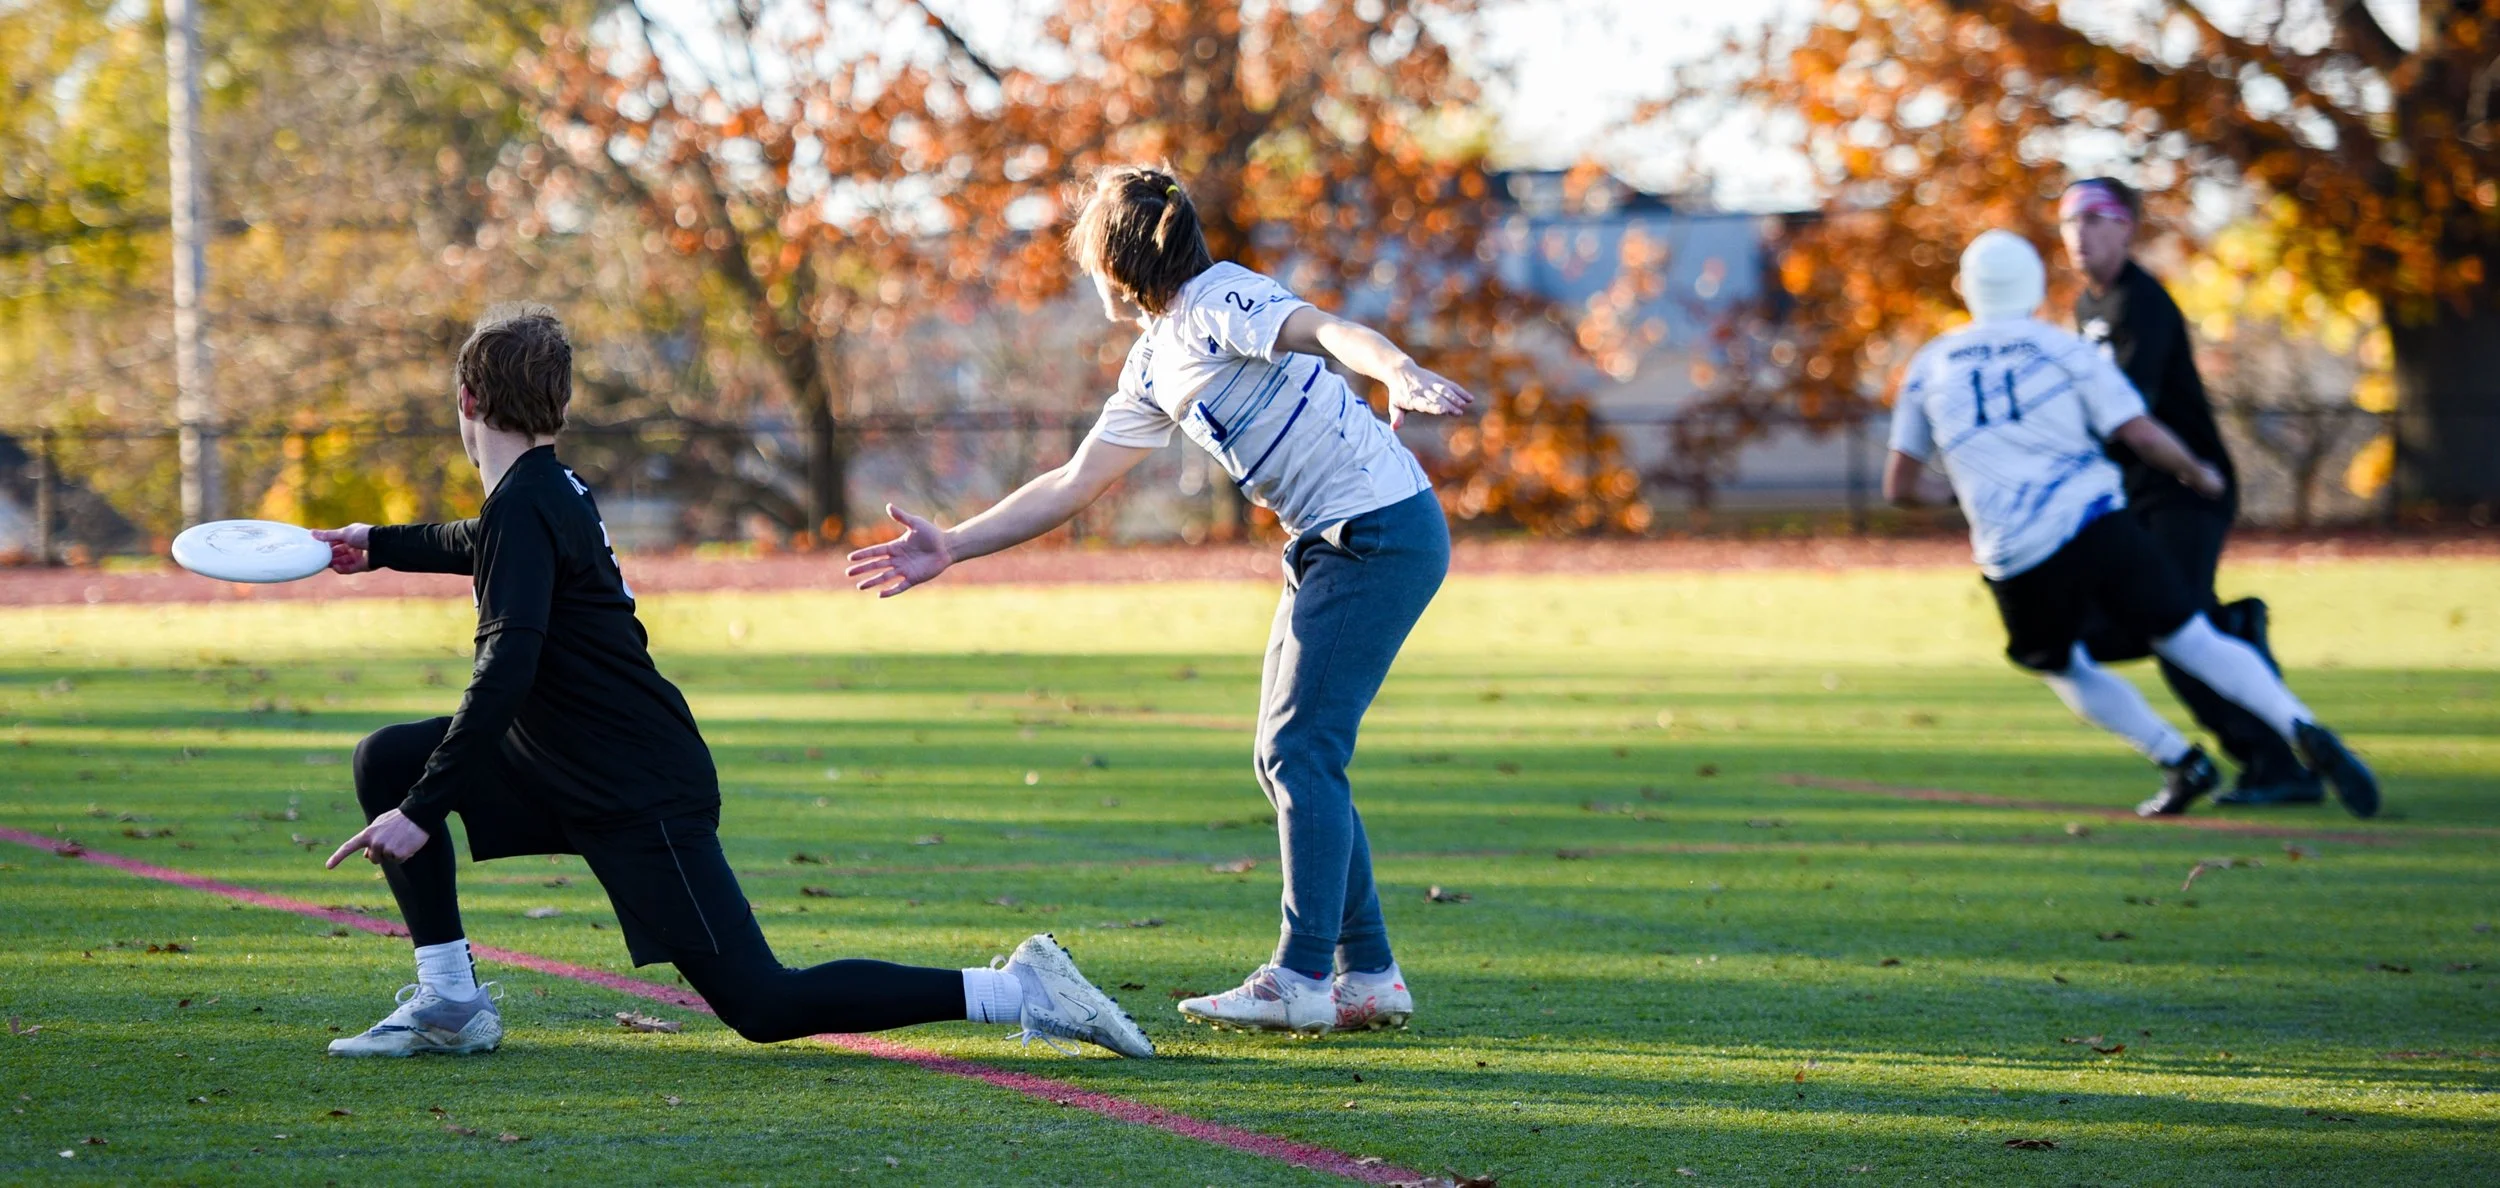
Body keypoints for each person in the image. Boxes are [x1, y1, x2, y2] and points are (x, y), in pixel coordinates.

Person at [314, 304, 1152, 1060]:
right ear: (559, 408)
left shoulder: (527, 506)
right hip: (568, 764)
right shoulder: (547, 490)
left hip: (635, 787)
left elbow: (506, 669)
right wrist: (378, 543)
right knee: (388, 756)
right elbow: (481, 540)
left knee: (762, 1001)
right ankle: (452, 1005)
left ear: (466, 399)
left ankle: (1019, 989)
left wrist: (423, 813)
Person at [845, 165, 1475, 1036]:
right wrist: (953, 544)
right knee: (1291, 755)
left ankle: (1301, 979)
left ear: (1114, 262)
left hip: (1375, 531)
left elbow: (1328, 330)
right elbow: (1071, 483)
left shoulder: (1221, 299)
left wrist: (1398, 369)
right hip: (1338, 540)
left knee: (1301, 751)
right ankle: (1365, 974)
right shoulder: (1155, 359)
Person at [1883, 231, 2378, 819]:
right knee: (2190, 636)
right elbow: (2138, 431)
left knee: (2062, 664)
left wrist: (1963, 492)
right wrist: (2199, 472)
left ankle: (2177, 758)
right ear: (2036, 287)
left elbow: (1900, 487)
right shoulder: (2064, 350)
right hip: (2099, 523)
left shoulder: (1931, 364)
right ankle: (2301, 724)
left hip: (2016, 553)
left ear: (1964, 288)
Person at [2058, 177, 2322, 811]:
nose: (2079, 234)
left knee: (2173, 627)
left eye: (2094, 218)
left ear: (2126, 226)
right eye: (2068, 221)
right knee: (2113, 628)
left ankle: (2276, 764)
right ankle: (2238, 632)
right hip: (2133, 499)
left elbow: (2128, 411)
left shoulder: (2141, 303)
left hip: (2184, 489)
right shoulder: (2087, 308)